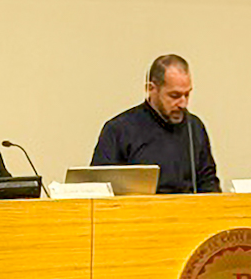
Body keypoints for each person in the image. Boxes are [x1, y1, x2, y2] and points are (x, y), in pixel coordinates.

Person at [91, 54, 220, 193]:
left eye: (187, 94)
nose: (183, 104)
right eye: (174, 96)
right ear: (151, 89)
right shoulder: (119, 130)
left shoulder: (194, 127)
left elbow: (209, 183)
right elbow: (99, 188)